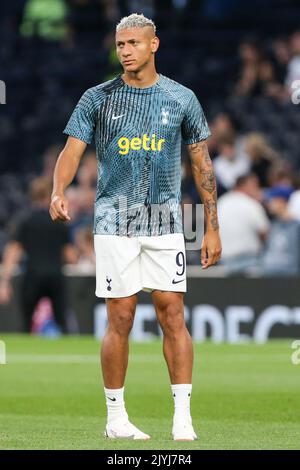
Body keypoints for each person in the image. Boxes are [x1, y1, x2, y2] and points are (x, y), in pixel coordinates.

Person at [49, 13, 222, 441]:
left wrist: (212, 227)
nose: (125, 51)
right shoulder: (98, 97)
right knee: (120, 318)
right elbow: (72, 150)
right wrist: (58, 189)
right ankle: (115, 418)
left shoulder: (181, 98)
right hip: (114, 218)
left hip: (165, 220)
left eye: (133, 43)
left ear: (153, 45)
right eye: (120, 44)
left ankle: (182, 415)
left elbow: (202, 163)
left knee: (173, 314)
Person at [0, 176, 77, 333]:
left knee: (26, 323)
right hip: (56, 275)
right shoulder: (60, 221)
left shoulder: (25, 221)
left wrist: (4, 282)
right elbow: (71, 256)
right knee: (62, 322)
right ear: (49, 195)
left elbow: (13, 252)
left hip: (32, 276)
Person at [218, 173, 270, 274]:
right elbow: (265, 233)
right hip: (250, 261)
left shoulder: (221, 202)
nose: (258, 189)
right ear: (244, 186)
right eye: (255, 186)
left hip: (224, 261)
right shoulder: (251, 204)